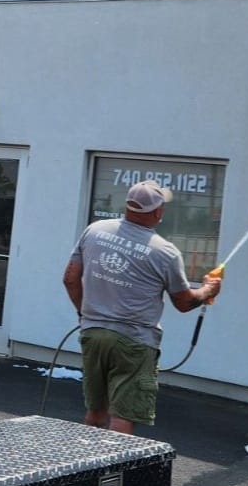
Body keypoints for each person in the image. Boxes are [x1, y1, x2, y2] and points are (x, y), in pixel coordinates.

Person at [62, 179, 222, 435]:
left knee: (96, 411)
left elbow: (70, 278)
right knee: (122, 414)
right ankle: (113, 472)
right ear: (158, 212)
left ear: (128, 206)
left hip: (93, 334)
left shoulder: (95, 230)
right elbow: (183, 303)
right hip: (134, 341)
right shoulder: (165, 252)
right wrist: (208, 290)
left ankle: (86, 466)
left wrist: (85, 314)